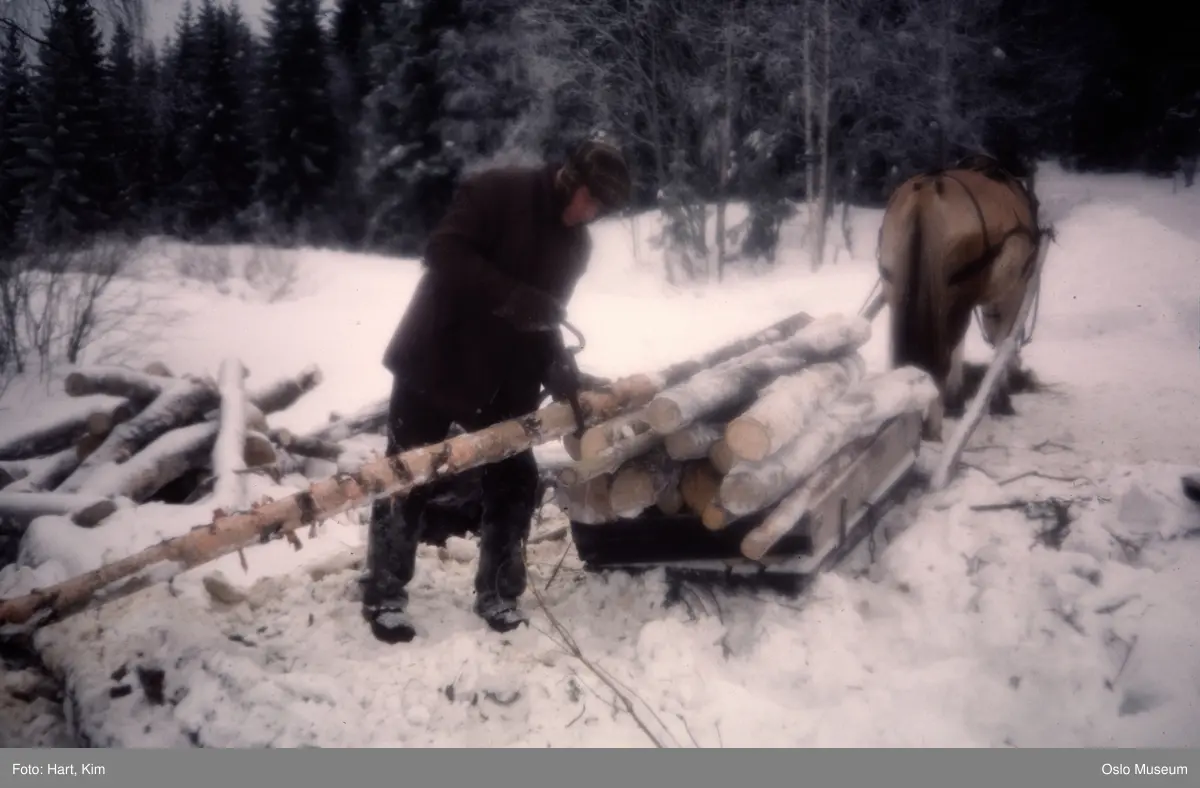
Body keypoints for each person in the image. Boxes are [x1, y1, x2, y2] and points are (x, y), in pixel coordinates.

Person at [362, 139, 633, 644]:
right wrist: (511, 296)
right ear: (571, 180)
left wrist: (558, 370)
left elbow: (544, 318)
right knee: (406, 474)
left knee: (515, 477)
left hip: (504, 372)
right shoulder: (500, 191)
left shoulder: (576, 245)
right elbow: (442, 252)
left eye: (602, 210)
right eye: (591, 201)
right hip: (437, 354)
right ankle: (384, 593)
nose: (591, 215)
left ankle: (499, 593)